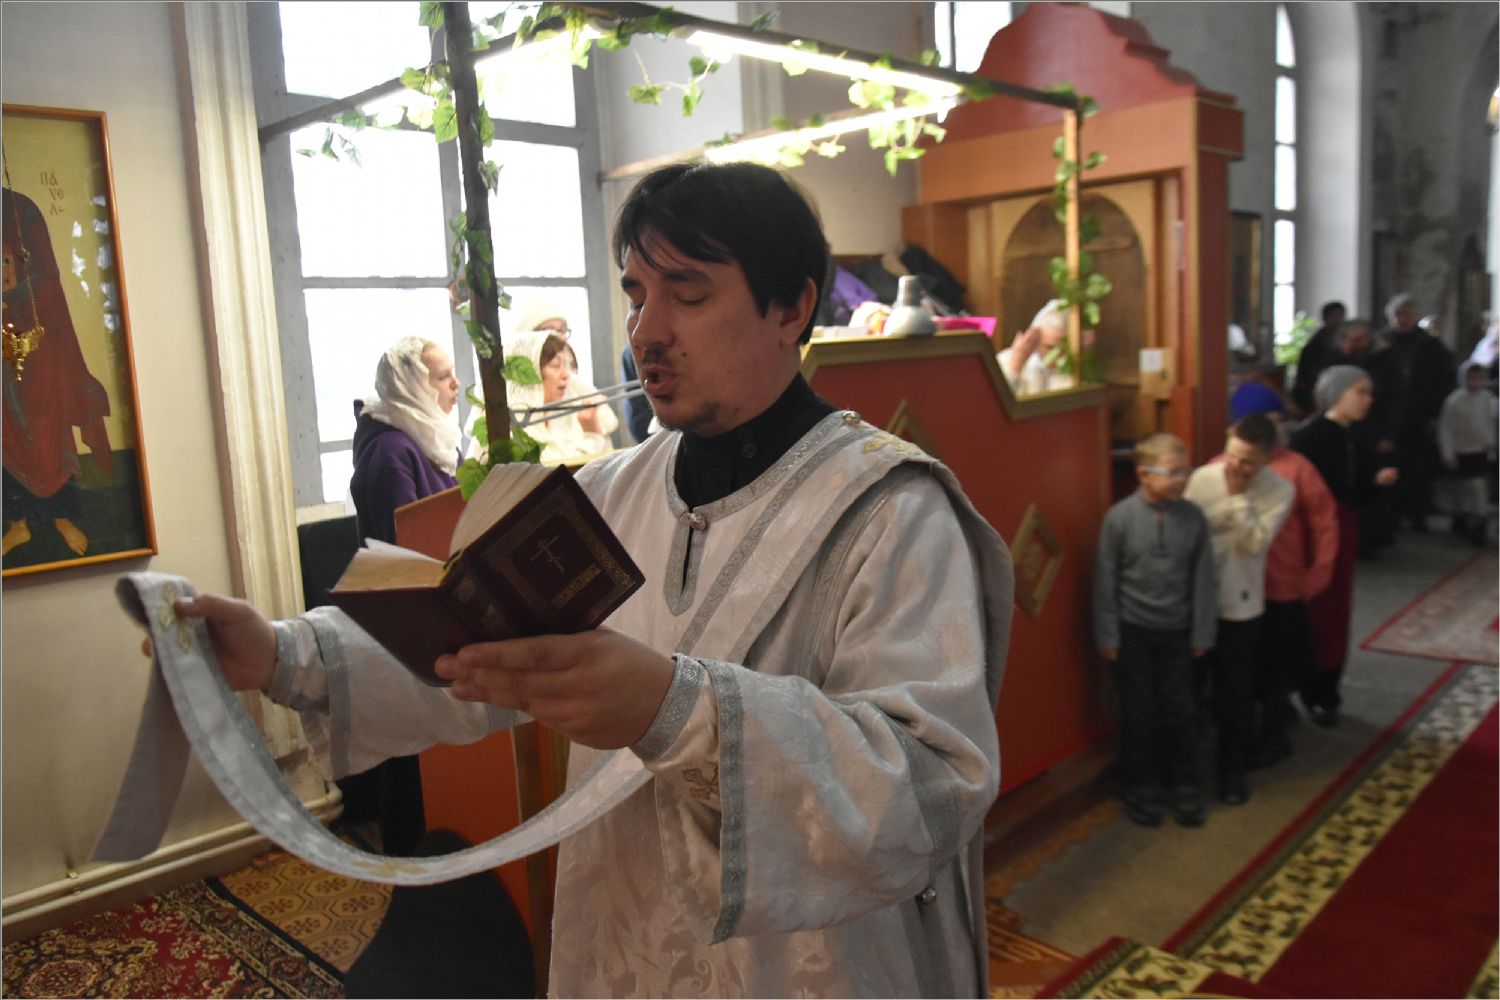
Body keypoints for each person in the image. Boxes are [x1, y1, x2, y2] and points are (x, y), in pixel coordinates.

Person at [175, 161, 1015, 997]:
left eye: (688, 295)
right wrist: (283, 654)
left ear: (791, 308)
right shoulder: (610, 496)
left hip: (806, 961)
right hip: (621, 929)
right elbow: (475, 643)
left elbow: (929, 781)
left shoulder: (887, 511)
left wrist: (673, 710)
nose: (646, 332)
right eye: (636, 295)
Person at [346, 336, 463, 857]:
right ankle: (411, 856)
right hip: (407, 614)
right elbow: (404, 545)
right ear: (412, 384)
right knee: (411, 748)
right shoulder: (391, 450)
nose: (455, 384)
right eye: (442, 376)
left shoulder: (430, 437)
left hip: (441, 604)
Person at [1093, 433, 1217, 828]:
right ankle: (1139, 784)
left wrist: (1202, 632)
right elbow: (1105, 580)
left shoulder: (1194, 518)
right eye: (1173, 472)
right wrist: (1108, 635)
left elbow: (1204, 578)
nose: (1182, 479)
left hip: (1179, 632)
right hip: (1133, 633)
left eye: (1186, 471)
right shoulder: (1120, 518)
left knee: (1181, 708)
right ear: (1144, 474)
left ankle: (1184, 782)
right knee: (1137, 711)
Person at [1225, 385, 1338, 769]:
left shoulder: (1297, 468)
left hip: (1282, 584)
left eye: (1276, 422)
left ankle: (1274, 734)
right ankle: (1248, 730)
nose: (1271, 431)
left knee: (1278, 664)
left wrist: (1319, 570)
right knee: (1244, 665)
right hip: (1238, 585)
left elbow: (1324, 521)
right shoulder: (1224, 465)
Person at [1184, 414, 1294, 806]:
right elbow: (1188, 531)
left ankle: (1232, 772)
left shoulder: (1280, 490)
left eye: (1247, 461)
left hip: (1240, 604)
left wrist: (1238, 499)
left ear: (1266, 459)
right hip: (1194, 602)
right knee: (1189, 689)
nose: (1234, 466)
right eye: (1231, 454)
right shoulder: (1202, 478)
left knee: (1234, 693)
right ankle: (1187, 775)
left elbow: (1253, 544)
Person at [2, 185, 115, 561]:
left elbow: (46, 275)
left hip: (34, 340)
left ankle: (60, 516)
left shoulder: (20, 208)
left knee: (45, 428)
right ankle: (17, 523)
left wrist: (15, 295)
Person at [1290, 365, 1399, 726]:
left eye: (1369, 392)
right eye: (1360, 392)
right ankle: (1310, 689)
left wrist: (1377, 483)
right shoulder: (1309, 437)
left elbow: (1357, 489)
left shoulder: (1357, 436)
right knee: (1317, 610)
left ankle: (1327, 689)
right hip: (1314, 532)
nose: (1368, 400)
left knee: (1337, 611)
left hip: (1343, 527)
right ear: (1337, 394)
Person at [1370, 293, 1456, 535]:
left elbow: (1445, 379)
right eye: (1397, 315)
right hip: (1387, 418)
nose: (1402, 320)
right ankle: (1392, 515)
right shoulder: (1381, 343)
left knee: (1419, 467)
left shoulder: (1431, 345)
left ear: (1414, 316)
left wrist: (1435, 411)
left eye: (1406, 315)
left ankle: (1418, 513)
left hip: (1420, 416)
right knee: (1390, 465)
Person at [482, 329, 611, 465]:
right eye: (555, 366)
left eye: (565, 365)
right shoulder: (514, 430)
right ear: (531, 373)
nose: (565, 375)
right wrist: (592, 435)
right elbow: (560, 474)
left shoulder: (561, 416)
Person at [509, 295, 620, 440]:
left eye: (563, 330)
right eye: (549, 330)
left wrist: (592, 428)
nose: (560, 337)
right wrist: (592, 436)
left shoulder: (570, 385)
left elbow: (608, 422)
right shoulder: (517, 407)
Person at [1437, 360, 1497, 546]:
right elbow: (1446, 429)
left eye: (1478, 378)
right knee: (1461, 491)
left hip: (1480, 452)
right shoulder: (1454, 401)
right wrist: (1448, 454)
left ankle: (1479, 526)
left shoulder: (1487, 398)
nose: (1474, 383)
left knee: (1478, 490)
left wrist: (1491, 441)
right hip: (1461, 453)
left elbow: (1490, 421)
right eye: (1470, 378)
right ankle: (1462, 522)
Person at [997, 299, 1076, 396]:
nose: (1057, 355)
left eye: (1064, 349)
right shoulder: (1005, 361)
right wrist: (1015, 368)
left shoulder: (1075, 372)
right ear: (1035, 339)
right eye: (1050, 347)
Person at [1290, 301, 1347, 417]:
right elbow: (1307, 374)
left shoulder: (1341, 341)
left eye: (1341, 316)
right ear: (1326, 318)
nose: (1340, 320)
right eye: (1336, 316)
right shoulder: (1315, 345)